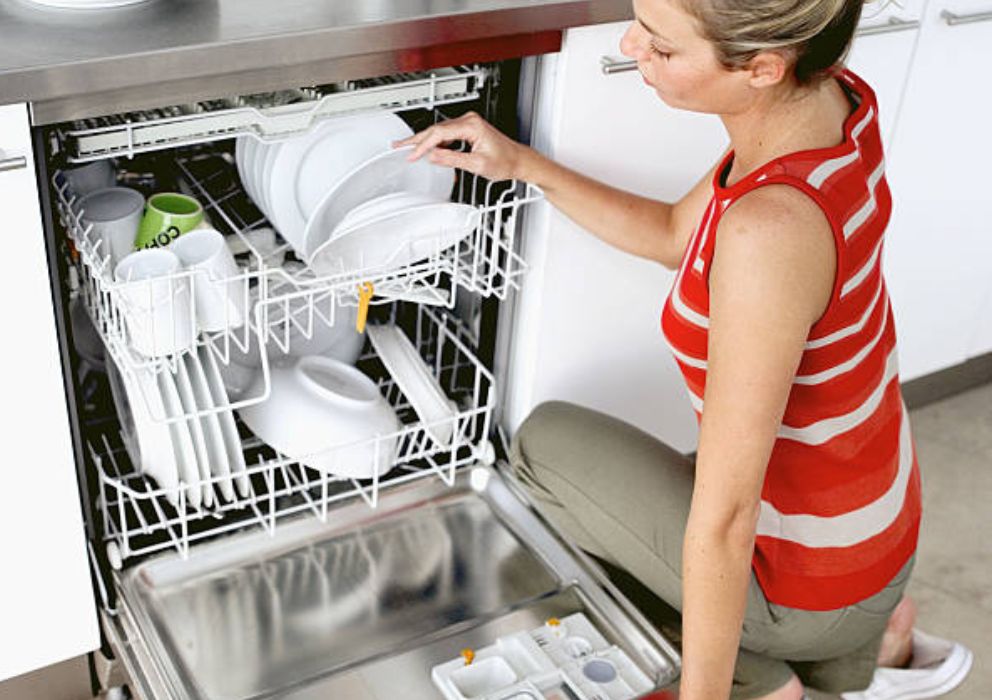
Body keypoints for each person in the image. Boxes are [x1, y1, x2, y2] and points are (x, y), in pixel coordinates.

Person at [397, 0, 975, 698]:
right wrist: (521, 163)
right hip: (877, 515)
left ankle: (771, 682)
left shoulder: (769, 230)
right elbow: (676, 232)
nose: (630, 43)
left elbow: (728, 523)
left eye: (663, 48)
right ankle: (875, 642)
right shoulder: (831, 104)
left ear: (761, 67)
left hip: (816, 577)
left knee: (542, 456)